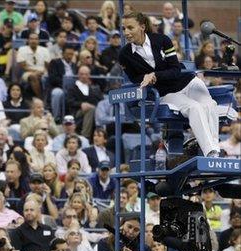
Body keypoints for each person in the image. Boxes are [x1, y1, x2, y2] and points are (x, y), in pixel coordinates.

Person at [119, 11, 221, 157]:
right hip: (166, 93)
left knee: (210, 105)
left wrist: (155, 75)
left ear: (142, 27)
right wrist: (147, 78)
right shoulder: (124, 55)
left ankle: (215, 150)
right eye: (123, 28)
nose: (126, 32)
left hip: (189, 82)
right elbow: (136, 79)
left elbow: (176, 70)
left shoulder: (163, 40)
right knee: (195, 108)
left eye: (130, 27)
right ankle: (211, 153)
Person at [66, 65, 103, 139]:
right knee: (91, 110)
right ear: (78, 75)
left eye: (86, 74)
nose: (84, 76)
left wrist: (92, 106)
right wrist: (81, 104)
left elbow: (98, 100)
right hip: (76, 111)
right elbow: (69, 102)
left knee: (96, 110)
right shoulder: (72, 88)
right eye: (82, 74)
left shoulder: (93, 88)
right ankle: (85, 136)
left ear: (89, 75)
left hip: (93, 110)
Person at [48, 44, 78, 120]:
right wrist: (65, 82)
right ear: (62, 54)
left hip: (73, 88)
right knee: (57, 93)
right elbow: (53, 78)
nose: (69, 56)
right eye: (67, 54)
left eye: (71, 54)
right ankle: (56, 117)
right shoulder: (55, 63)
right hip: (59, 87)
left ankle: (74, 118)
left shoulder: (75, 66)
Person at [16, 32, 51, 99]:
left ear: (38, 41)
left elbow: (48, 65)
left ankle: (47, 98)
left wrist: (43, 72)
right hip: (27, 72)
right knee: (33, 76)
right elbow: (23, 66)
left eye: (36, 39)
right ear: (28, 40)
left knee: (47, 78)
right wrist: (36, 71)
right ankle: (41, 98)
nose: (33, 41)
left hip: (43, 71)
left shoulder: (45, 50)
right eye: (31, 39)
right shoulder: (22, 49)